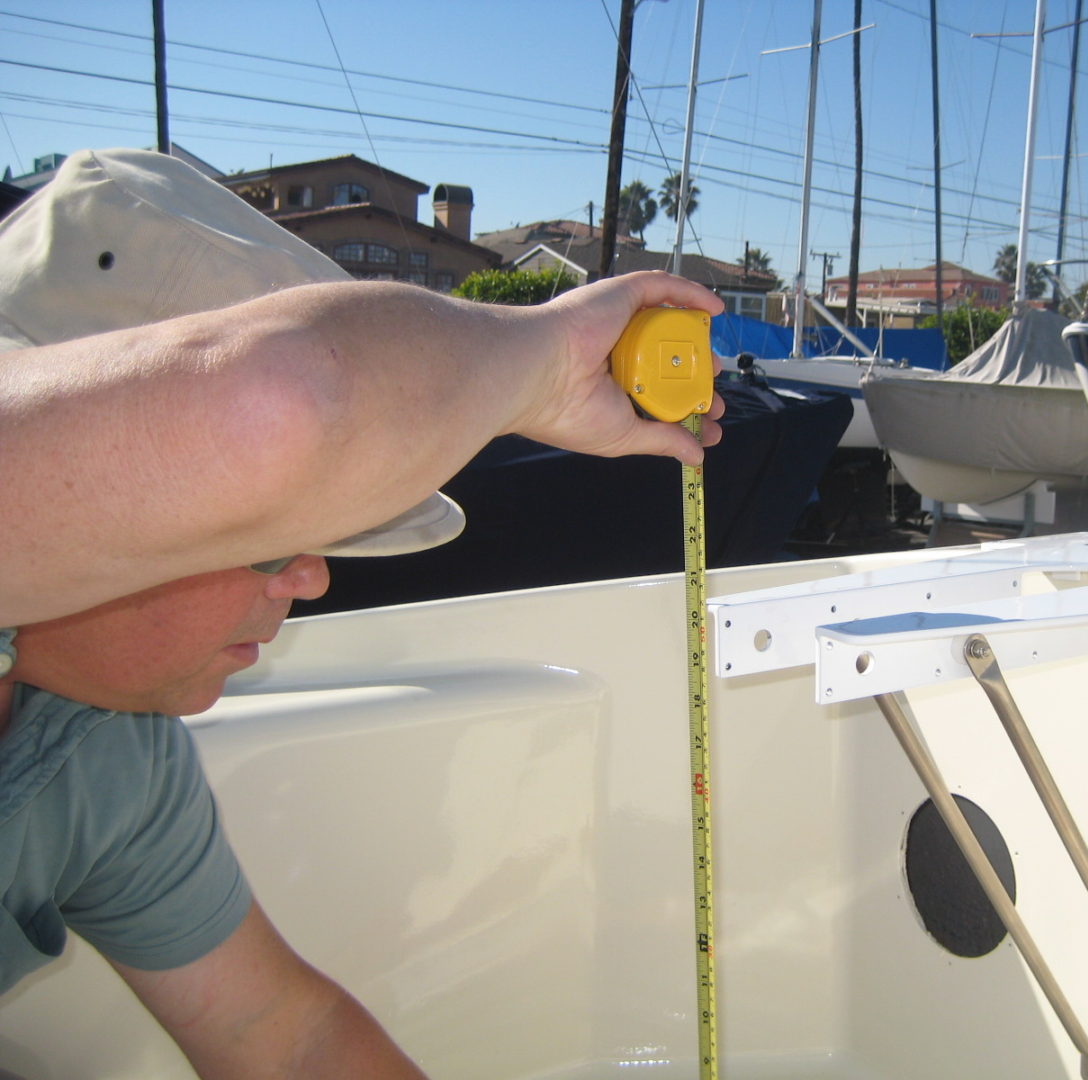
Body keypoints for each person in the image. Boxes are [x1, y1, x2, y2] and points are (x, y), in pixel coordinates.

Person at [0, 149, 725, 1076]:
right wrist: (542, 361)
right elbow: (287, 399)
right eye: (275, 535)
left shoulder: (106, 758)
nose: (311, 581)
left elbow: (284, 1038)